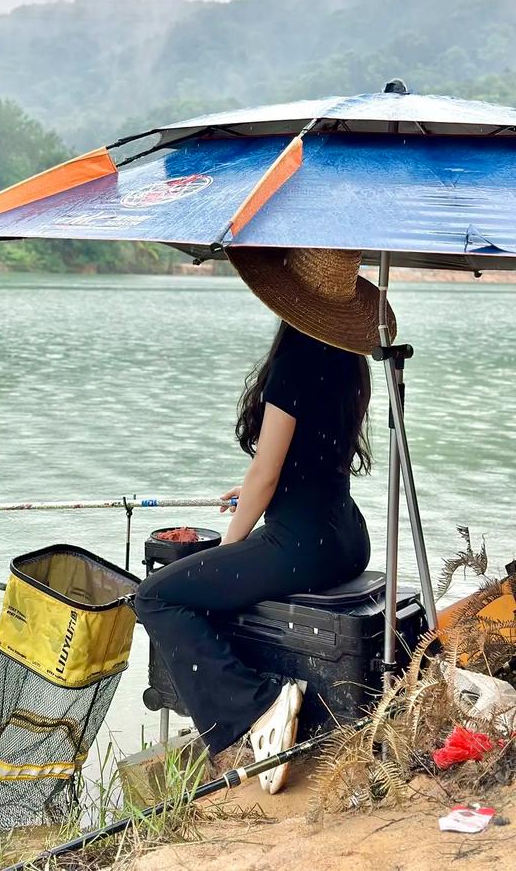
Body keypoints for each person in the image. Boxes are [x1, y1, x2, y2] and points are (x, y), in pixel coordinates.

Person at [134, 246, 397, 794]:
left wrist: (229, 547)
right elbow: (310, 463)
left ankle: (261, 704)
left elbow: (268, 473)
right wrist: (258, 497)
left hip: (304, 543)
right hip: (347, 538)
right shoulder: (346, 359)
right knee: (214, 574)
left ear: (287, 297)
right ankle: (258, 705)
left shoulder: (296, 358)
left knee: (157, 597)